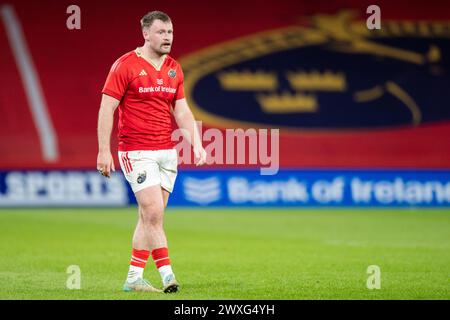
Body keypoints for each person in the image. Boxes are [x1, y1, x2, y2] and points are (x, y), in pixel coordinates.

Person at [96, 10, 206, 293]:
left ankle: (134, 278)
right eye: (161, 32)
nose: (167, 37)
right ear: (146, 34)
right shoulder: (125, 66)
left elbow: (180, 110)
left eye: (170, 32)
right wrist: (103, 151)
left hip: (166, 153)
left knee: (149, 218)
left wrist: (196, 142)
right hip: (136, 151)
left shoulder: (174, 68)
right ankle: (168, 275)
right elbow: (107, 108)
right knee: (154, 213)